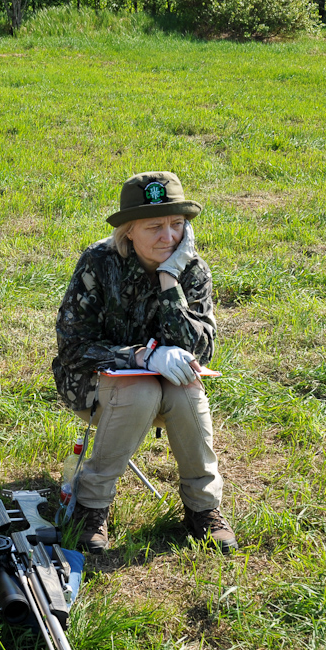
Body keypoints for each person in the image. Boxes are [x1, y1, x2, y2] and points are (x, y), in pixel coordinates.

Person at [52, 172, 237, 553]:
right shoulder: (99, 263)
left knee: (187, 388)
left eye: (177, 225)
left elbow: (202, 350)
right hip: (92, 383)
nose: (168, 237)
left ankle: (203, 509)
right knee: (138, 390)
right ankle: (92, 505)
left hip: (167, 388)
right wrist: (140, 356)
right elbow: (73, 346)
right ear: (128, 231)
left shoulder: (192, 270)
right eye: (154, 226)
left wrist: (171, 280)